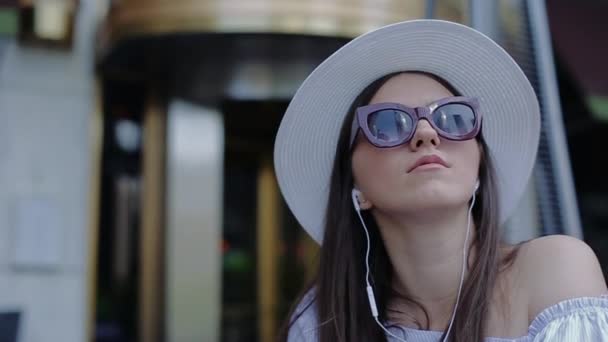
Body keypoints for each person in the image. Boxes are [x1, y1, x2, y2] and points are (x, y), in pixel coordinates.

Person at [273, 20, 608, 342]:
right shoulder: (323, 318)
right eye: (388, 123)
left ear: (478, 167)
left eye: (453, 117)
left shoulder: (554, 271)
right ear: (355, 186)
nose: (426, 133)